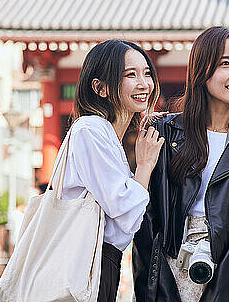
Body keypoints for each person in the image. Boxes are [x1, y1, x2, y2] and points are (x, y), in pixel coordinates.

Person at [133, 27, 229, 302]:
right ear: (201, 70)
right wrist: (158, 290)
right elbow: (146, 222)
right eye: (226, 63)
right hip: (167, 267)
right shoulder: (165, 131)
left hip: (223, 268)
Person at [57, 39, 164, 302]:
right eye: (131, 74)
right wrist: (146, 166)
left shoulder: (105, 134)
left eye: (146, 73)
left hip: (100, 263)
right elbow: (124, 210)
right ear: (100, 88)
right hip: (86, 262)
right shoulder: (90, 130)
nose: (144, 84)